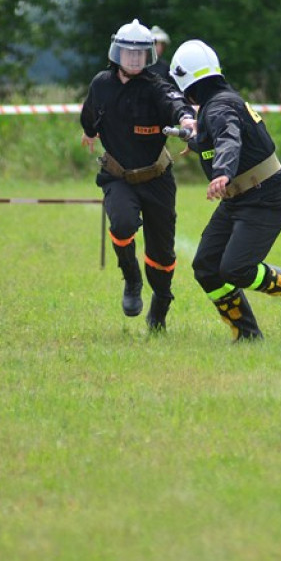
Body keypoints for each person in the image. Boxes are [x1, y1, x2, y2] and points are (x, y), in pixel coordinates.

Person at [168, 39, 281, 342]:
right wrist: (194, 142)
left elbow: (229, 139)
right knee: (207, 267)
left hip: (265, 197)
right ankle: (246, 333)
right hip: (241, 198)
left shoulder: (219, 106)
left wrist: (221, 172)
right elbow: (218, 137)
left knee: (236, 268)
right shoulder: (218, 103)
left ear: (186, 81)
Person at [80, 19, 197, 331]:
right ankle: (131, 279)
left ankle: (160, 306)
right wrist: (89, 133)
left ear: (149, 56)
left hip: (157, 179)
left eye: (139, 54)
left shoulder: (157, 85)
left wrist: (187, 120)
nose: (133, 59)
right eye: (128, 53)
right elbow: (90, 115)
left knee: (162, 254)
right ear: (116, 52)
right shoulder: (101, 84)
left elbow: (176, 104)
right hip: (118, 177)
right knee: (122, 223)